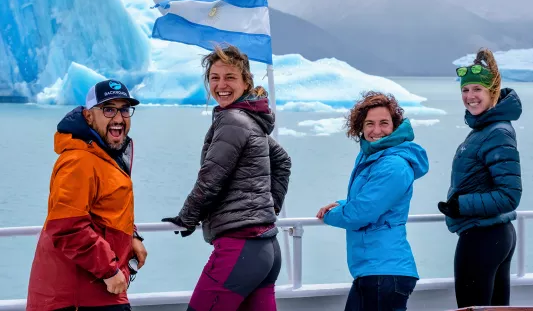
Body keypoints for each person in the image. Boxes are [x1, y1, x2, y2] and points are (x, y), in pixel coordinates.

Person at [162, 45, 291, 311]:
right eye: (214, 77)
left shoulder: (232, 120)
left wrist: (187, 218)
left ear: (246, 82)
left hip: (241, 248)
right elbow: (283, 162)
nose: (221, 85)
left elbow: (211, 177)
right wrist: (269, 206)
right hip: (266, 247)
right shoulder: (250, 120)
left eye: (230, 77)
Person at [26, 80, 147, 311]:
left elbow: (104, 211)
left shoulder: (103, 156)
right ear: (88, 116)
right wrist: (109, 270)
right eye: (109, 109)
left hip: (97, 291)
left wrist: (133, 236)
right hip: (76, 297)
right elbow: (67, 227)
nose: (119, 118)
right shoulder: (79, 161)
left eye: (124, 109)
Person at [317, 91, 429, 311]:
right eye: (370, 123)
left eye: (384, 123)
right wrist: (342, 204)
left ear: (395, 126)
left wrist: (330, 215)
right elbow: (371, 201)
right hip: (375, 270)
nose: (376, 130)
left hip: (385, 271)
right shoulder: (374, 157)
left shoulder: (393, 165)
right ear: (360, 126)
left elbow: (361, 213)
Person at [437, 48, 522, 308]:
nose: (470, 97)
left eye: (477, 90)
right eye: (465, 90)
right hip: (494, 235)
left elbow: (510, 195)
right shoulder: (484, 129)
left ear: (493, 92)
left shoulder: (496, 132)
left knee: (470, 307)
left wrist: (461, 205)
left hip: (483, 237)